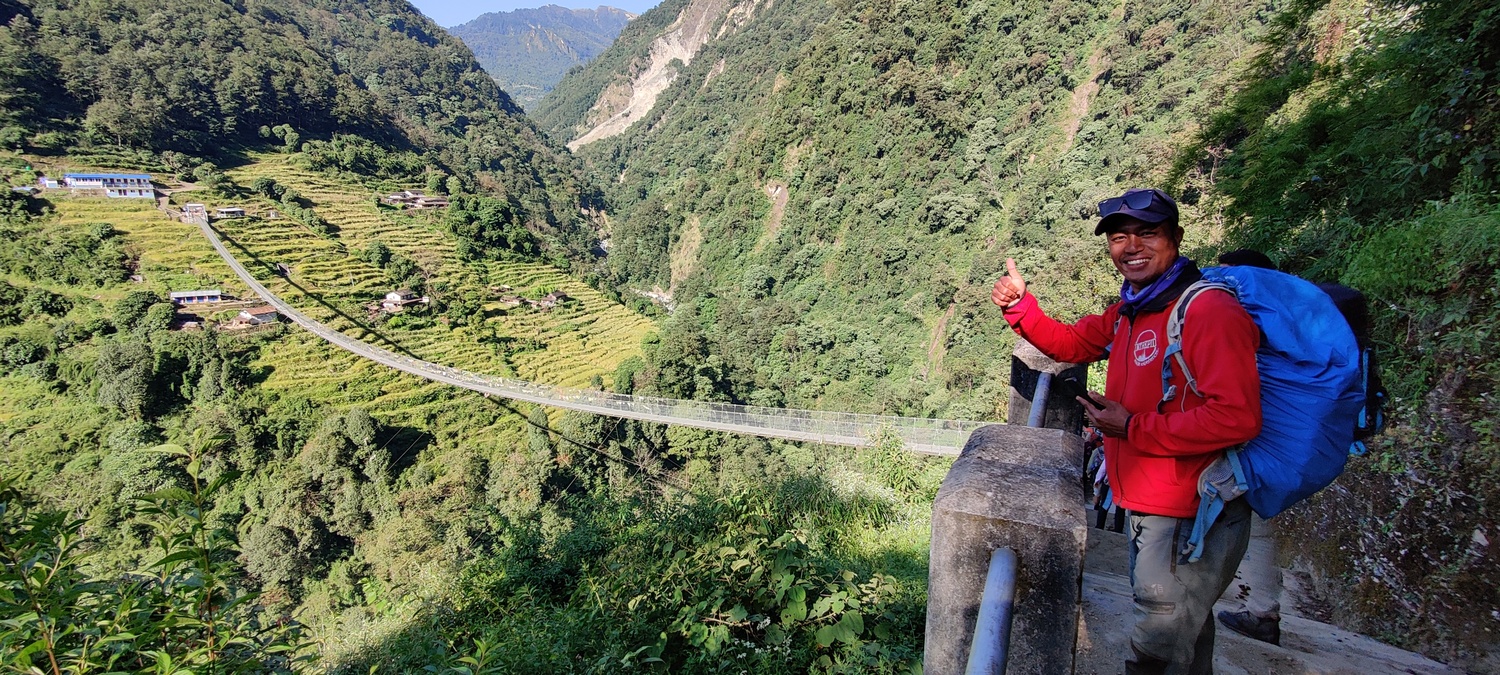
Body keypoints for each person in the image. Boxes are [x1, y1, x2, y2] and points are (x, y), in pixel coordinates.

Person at [991, 188, 1262, 674]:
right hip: (1148, 503)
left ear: (1175, 238)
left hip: (1189, 511)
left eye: (1147, 234)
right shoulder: (1131, 311)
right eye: (1119, 238)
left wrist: (1132, 426)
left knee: (1156, 647)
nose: (1131, 246)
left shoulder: (1207, 312)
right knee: (1187, 635)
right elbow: (1070, 342)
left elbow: (1236, 417)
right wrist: (1020, 307)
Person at [1213, 248, 1284, 645]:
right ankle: (1255, 603)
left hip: (1252, 437)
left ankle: (1260, 611)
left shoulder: (1248, 318)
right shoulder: (1281, 318)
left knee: (1251, 523)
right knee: (1252, 521)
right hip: (1271, 437)